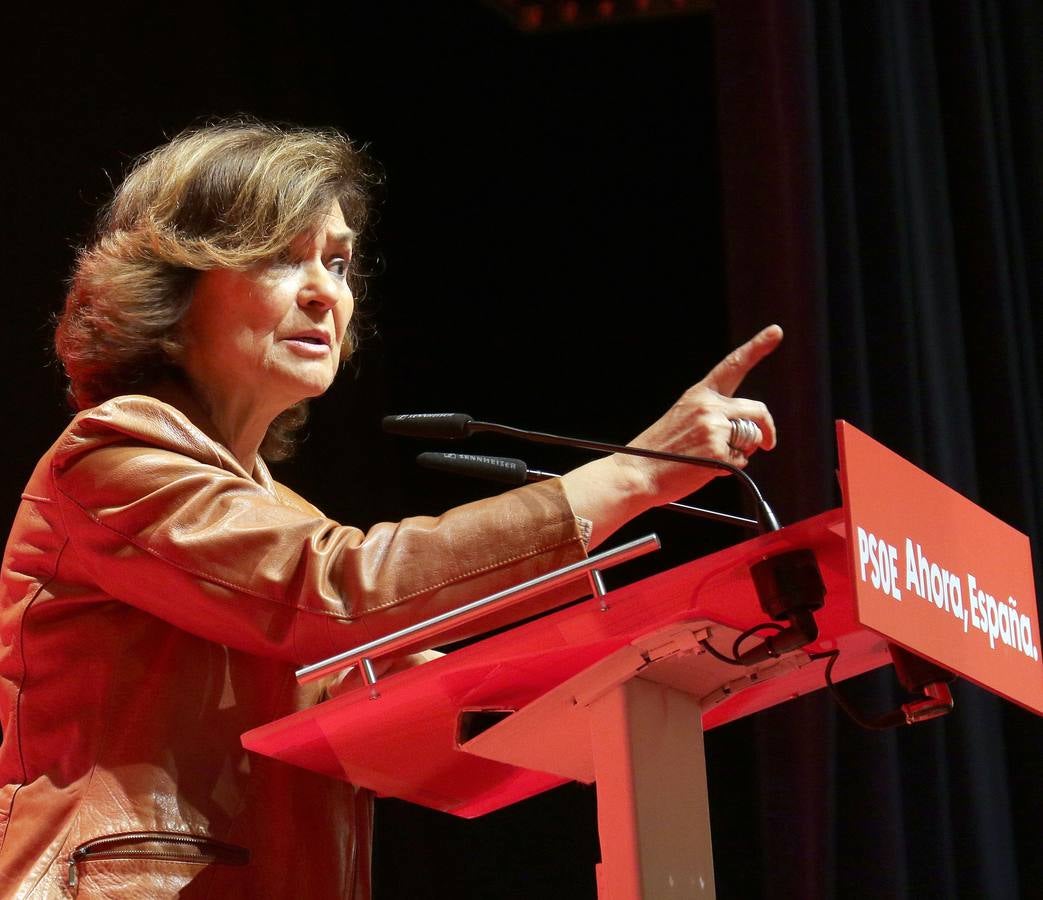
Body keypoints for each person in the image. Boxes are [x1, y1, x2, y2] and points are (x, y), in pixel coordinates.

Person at [0, 121, 781, 898]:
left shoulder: (276, 512)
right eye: (280, 255)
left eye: (337, 262)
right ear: (172, 285)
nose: (323, 292)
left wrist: (694, 655)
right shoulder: (109, 459)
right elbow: (344, 591)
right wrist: (633, 477)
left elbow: (429, 703)